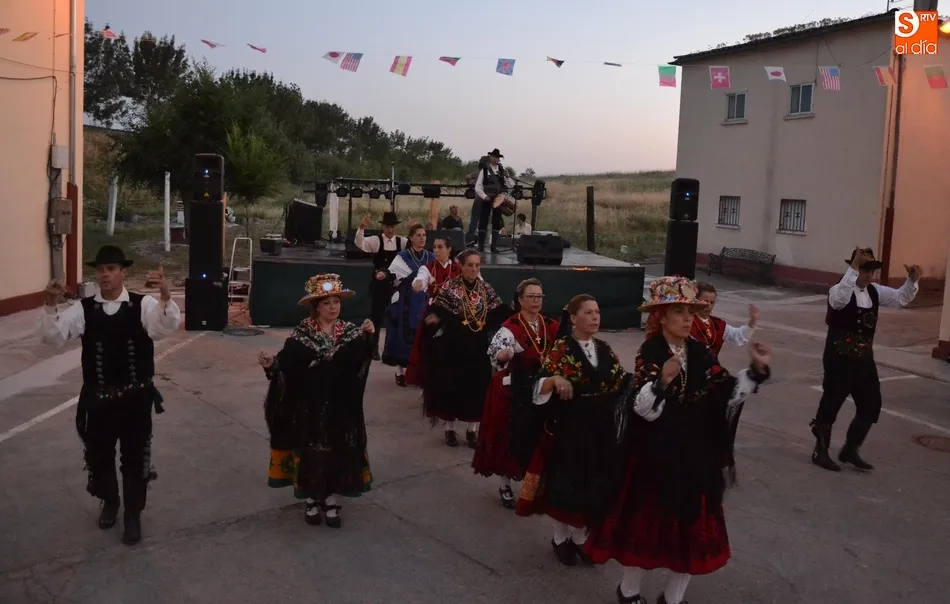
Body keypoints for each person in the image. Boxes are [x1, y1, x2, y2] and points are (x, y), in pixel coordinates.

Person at [584, 276, 772, 604]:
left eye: (690, 312)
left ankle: (673, 598)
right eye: (679, 312)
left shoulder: (699, 351)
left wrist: (755, 370)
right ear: (661, 317)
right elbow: (642, 409)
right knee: (645, 526)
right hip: (654, 454)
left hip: (695, 454)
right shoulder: (651, 351)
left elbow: (725, 391)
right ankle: (628, 592)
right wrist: (661, 382)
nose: (688, 319)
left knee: (692, 529)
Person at [39, 245, 181, 545]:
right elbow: (53, 337)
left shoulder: (143, 305)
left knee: (135, 457)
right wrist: (51, 305)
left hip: (135, 399)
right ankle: (111, 502)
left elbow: (164, 328)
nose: (105, 275)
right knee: (99, 456)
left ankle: (132, 514)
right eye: (101, 269)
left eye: (111, 269)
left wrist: (166, 297)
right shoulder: (84, 309)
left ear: (123, 272)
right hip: (98, 399)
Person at [514, 294, 632, 568]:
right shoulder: (561, 348)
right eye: (588, 312)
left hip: (599, 430)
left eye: (597, 312)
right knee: (567, 487)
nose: (594, 317)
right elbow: (538, 385)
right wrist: (555, 380)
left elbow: (619, 381)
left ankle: (579, 538)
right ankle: (560, 538)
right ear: (573, 318)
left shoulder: (604, 348)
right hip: (569, 430)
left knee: (592, 484)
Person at [258, 273, 375, 528]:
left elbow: (360, 362)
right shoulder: (302, 334)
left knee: (337, 450)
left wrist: (368, 337)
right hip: (308, 404)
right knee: (312, 452)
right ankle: (312, 498)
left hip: (340, 405)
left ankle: (331, 499)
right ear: (316, 307)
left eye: (336, 302)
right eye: (326, 303)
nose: (333, 307)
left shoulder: (350, 333)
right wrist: (271, 363)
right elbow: (285, 363)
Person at [810, 247, 920, 472]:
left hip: (864, 360)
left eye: (871, 270)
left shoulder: (875, 291)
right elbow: (839, 301)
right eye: (864, 269)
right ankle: (820, 451)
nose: (869, 274)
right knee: (831, 405)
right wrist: (853, 269)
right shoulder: (839, 289)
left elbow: (901, 298)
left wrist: (912, 280)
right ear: (854, 269)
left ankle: (850, 449)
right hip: (839, 358)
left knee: (871, 405)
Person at [473, 278, 560, 509]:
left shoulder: (550, 325)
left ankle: (534, 486)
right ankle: (505, 485)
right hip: (515, 389)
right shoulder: (509, 327)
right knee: (509, 437)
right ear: (520, 300)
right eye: (531, 296)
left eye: (539, 296)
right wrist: (503, 354)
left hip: (541, 388)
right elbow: (497, 354)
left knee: (538, 437)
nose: (536, 301)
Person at [421, 249, 511, 447]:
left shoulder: (486, 289)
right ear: (461, 266)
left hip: (478, 347)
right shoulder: (450, 287)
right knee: (452, 387)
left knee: (477, 388)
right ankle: (450, 429)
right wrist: (437, 318)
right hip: (453, 346)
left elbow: (498, 310)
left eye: (477, 265)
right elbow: (437, 310)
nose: (474, 269)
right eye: (470, 265)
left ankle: (472, 431)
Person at [405, 235, 461, 387]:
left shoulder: (459, 268)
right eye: (434, 247)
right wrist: (418, 283)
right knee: (430, 343)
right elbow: (421, 279)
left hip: (455, 311)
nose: (436, 250)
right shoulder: (428, 267)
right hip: (434, 309)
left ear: (449, 250)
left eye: (440, 247)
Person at [382, 224, 434, 386]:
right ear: (411, 238)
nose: (422, 238)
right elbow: (392, 276)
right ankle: (400, 372)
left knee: (423, 337)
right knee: (402, 336)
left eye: (424, 235)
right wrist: (384, 275)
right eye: (418, 235)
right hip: (406, 301)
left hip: (425, 300)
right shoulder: (403, 256)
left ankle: (419, 372)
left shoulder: (430, 256)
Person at [354, 212, 409, 360]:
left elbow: (412, 249)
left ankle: (389, 350)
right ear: (383, 227)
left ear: (396, 228)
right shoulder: (376, 240)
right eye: (387, 227)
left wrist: (414, 229)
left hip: (395, 285)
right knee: (376, 318)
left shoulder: (402, 242)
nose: (390, 230)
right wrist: (361, 228)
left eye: (392, 227)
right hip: (379, 285)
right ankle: (374, 348)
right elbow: (360, 244)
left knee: (394, 317)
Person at [691, 282, 757, 359]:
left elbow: (737, 336)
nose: (709, 305)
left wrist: (753, 320)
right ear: (695, 300)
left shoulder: (718, 324)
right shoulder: (688, 321)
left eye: (712, 302)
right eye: (705, 301)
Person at [474, 148, 515, 253]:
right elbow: (478, 186)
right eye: (494, 157)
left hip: (498, 199)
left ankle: (494, 247)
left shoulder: (502, 170)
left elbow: (511, 185)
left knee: (497, 221)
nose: (496, 159)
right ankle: (481, 245)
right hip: (487, 198)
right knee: (483, 220)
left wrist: (507, 176)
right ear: (490, 157)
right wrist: (484, 196)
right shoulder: (484, 170)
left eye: (497, 157)